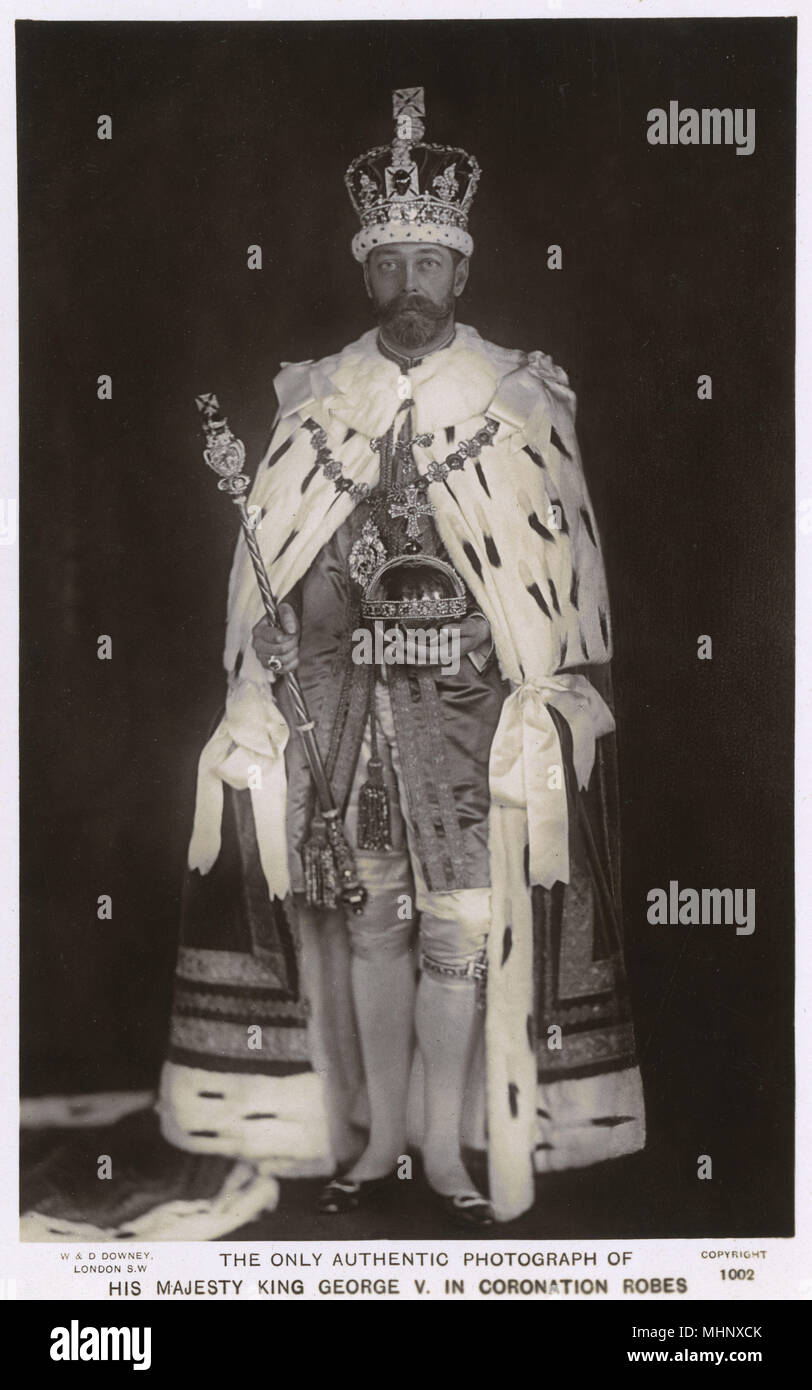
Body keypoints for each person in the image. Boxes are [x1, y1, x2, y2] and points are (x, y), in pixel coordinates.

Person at [158, 86, 646, 1228]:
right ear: (364, 269)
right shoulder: (319, 397)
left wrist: (507, 647)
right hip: (353, 714)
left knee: (460, 931)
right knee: (368, 918)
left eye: (430, 263)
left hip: (473, 716)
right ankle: (377, 1135)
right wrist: (276, 631)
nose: (409, 287)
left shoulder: (520, 398)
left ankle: (442, 1145)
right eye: (391, 265)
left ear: (460, 272)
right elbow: (283, 555)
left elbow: (551, 580)